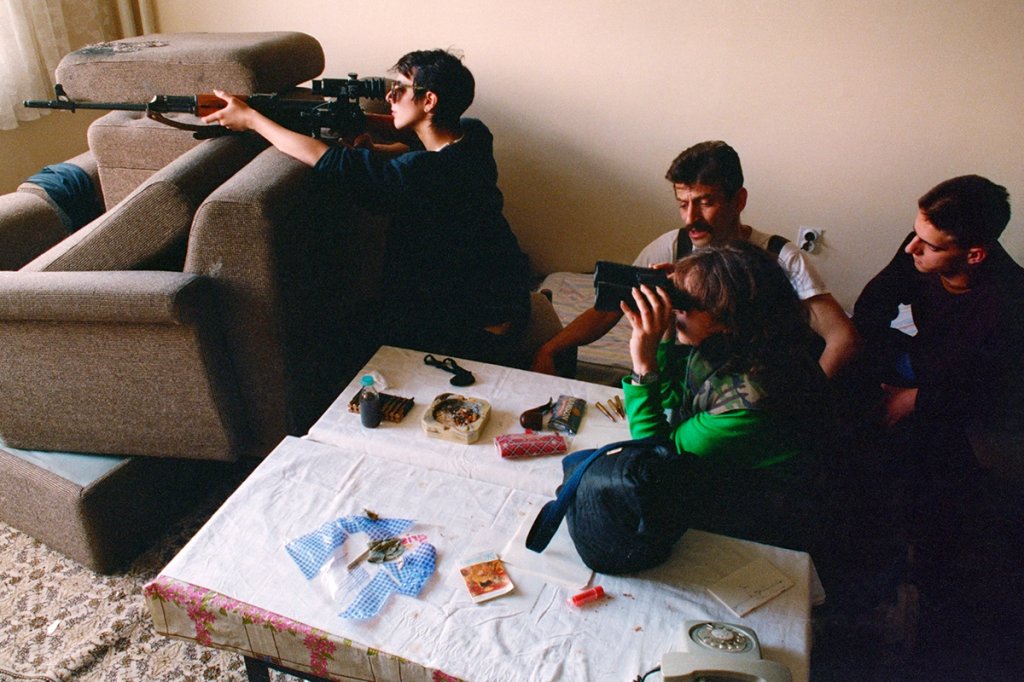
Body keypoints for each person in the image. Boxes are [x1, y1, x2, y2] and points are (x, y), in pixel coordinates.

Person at [202, 49, 532, 366]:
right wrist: (359, 126)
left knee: (345, 344)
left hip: (479, 316)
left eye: (400, 90)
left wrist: (252, 120)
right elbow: (411, 145)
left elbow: (326, 158)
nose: (390, 97)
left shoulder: (421, 173)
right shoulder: (473, 134)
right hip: (505, 286)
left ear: (429, 101)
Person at [531, 141, 859, 378]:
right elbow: (610, 309)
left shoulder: (779, 257)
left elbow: (842, 338)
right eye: (683, 204)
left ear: (739, 200)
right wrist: (551, 349)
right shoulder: (672, 247)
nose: (691, 218)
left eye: (706, 202)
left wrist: (805, 405)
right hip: (692, 386)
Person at [850, 175, 1024, 613]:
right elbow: (872, 307)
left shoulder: (1008, 304)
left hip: (982, 406)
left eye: (929, 245)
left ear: (974, 254)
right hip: (929, 366)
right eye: (916, 234)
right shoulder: (918, 250)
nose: (913, 249)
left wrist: (914, 400)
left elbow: (986, 391)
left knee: (936, 476)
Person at [620, 241, 830, 551]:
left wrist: (643, 365)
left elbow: (656, 463)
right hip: (733, 478)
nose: (676, 308)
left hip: (767, 519)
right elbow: (673, 397)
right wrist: (664, 333)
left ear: (729, 318)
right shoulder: (742, 346)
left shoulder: (752, 404)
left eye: (685, 303)